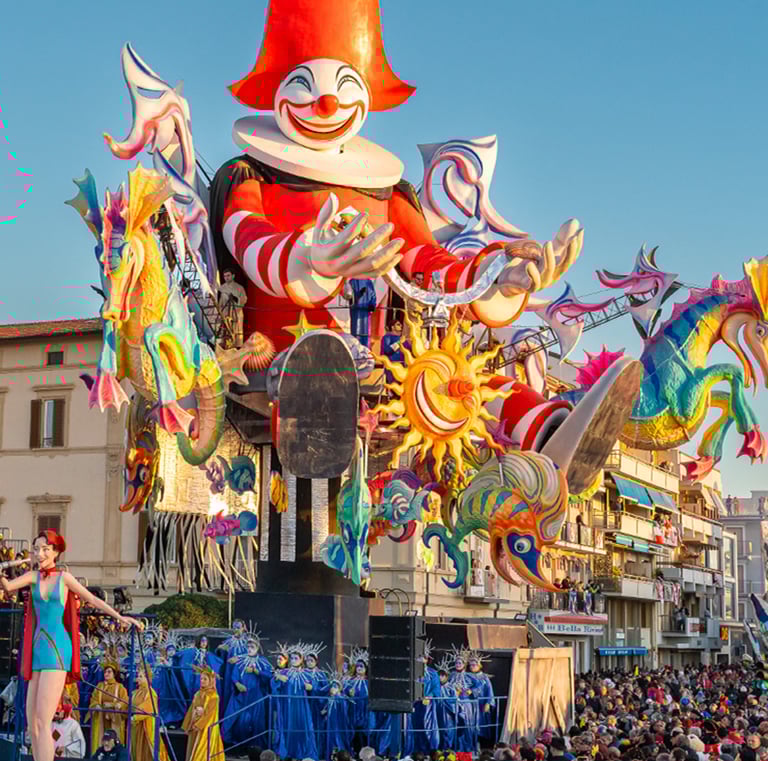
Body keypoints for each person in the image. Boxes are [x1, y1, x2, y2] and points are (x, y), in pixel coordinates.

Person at [0, 530, 142, 761]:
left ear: (56, 552)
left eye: (46, 548)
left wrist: (120, 617)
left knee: (43, 720)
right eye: (37, 549)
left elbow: (93, 599)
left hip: (57, 649)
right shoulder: (34, 576)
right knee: (33, 723)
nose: (40, 553)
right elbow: (8, 587)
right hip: (37, 649)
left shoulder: (64, 578)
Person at [182, 665, 224, 761]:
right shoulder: (198, 694)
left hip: (205, 728)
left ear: (211, 681)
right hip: (195, 725)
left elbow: (210, 714)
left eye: (205, 679)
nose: (202, 681)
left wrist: (199, 725)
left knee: (203, 751)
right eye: (201, 679)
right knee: (193, 749)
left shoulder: (214, 696)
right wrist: (188, 724)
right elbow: (191, 709)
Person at [89, 657, 129, 747]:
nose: (106, 674)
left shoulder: (120, 687)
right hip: (101, 716)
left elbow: (125, 701)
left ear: (114, 674)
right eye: (105, 672)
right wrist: (96, 705)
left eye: (109, 672)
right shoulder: (99, 685)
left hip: (114, 718)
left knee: (114, 739)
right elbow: (93, 698)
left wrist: (114, 705)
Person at [131, 666, 169, 761]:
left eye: (140, 676)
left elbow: (147, 708)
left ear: (147, 678)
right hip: (136, 726)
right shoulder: (136, 692)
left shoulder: (151, 693)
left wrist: (135, 716)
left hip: (146, 726)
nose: (137, 679)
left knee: (148, 750)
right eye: (137, 676)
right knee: (137, 749)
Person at [342, 278, 378, 346]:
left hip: (366, 313)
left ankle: (366, 349)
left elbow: (373, 295)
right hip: (356, 311)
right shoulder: (352, 281)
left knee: (366, 333)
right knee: (356, 332)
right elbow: (349, 297)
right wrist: (359, 294)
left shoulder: (368, 281)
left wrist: (373, 305)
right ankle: (355, 350)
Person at [218, 268, 248, 347]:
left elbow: (243, 298)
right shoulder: (221, 288)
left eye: (228, 275)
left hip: (236, 312)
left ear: (233, 276)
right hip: (225, 313)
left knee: (237, 332)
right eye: (225, 276)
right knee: (225, 332)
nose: (226, 278)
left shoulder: (239, 288)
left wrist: (236, 299)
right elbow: (220, 302)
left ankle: (237, 347)